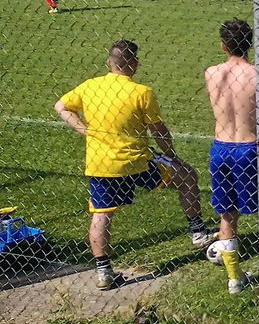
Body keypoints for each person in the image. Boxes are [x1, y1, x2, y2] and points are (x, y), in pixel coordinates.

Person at [54, 39, 212, 290]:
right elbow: (159, 130)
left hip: (101, 164)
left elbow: (61, 106)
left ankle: (103, 271)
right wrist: (172, 155)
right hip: (137, 163)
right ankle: (198, 232)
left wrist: (83, 129)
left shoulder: (90, 86)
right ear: (135, 63)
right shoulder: (141, 92)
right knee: (188, 176)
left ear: (109, 62)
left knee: (102, 214)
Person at [205, 19, 259, 293]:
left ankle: (234, 279)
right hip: (249, 150)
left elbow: (227, 102)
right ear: (251, 44)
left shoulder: (211, 73)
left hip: (220, 148)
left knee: (227, 215)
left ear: (222, 46)